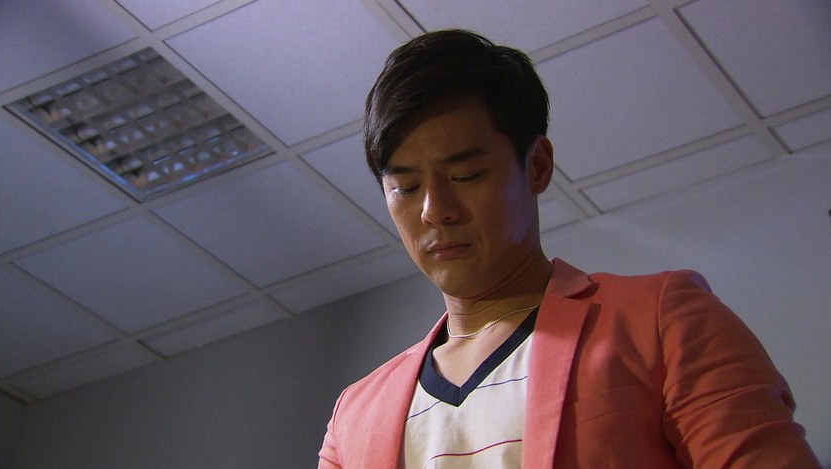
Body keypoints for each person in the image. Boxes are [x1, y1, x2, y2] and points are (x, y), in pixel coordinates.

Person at [318, 29, 819, 468]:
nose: (434, 210)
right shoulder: (354, 417)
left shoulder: (661, 321)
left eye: (465, 175)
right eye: (405, 188)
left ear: (537, 166)